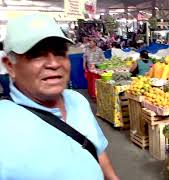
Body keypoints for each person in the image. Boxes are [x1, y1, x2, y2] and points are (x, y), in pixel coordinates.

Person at [0, 14, 119, 180]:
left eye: (60, 53)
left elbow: (98, 151)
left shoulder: (78, 101)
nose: (54, 63)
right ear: (10, 66)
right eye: (36, 54)